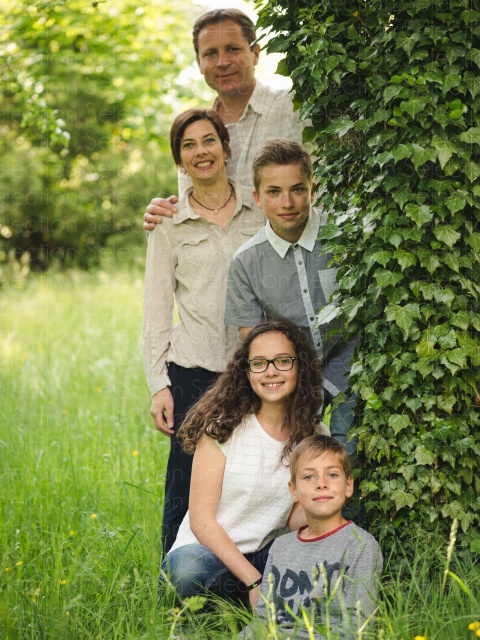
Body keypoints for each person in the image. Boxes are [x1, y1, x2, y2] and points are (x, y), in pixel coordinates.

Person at [143, 107, 265, 553]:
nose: (201, 151)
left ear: (226, 148)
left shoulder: (260, 208)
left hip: (257, 370)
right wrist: (159, 384)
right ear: (180, 159)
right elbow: (156, 308)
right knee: (186, 482)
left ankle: (246, 574)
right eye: (188, 145)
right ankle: (173, 579)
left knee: (254, 478)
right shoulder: (168, 224)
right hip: (193, 372)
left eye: (209, 140)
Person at [162, 319, 330, 609]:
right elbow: (201, 522)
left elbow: (294, 521)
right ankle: (247, 600)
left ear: (300, 367)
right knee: (187, 569)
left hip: (265, 556)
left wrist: (322, 503)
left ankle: (250, 605)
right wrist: (254, 581)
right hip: (209, 557)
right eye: (259, 363)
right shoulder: (222, 428)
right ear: (246, 371)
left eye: (283, 361)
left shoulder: (314, 435)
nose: (271, 371)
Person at [224, 139, 357, 456]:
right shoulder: (246, 262)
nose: (287, 202)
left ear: (313, 190)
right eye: (274, 192)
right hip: (294, 380)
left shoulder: (346, 237)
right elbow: (253, 345)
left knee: (347, 455)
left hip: (351, 368)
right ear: (257, 198)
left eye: (297, 189)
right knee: (299, 461)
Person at [143, 9, 306, 229]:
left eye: (232, 49)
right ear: (199, 63)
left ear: (255, 53)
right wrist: (161, 215)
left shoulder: (295, 107)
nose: (222, 62)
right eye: (211, 53)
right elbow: (192, 217)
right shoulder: (195, 137)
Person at [239, 435, 383, 639]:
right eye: (308, 477)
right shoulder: (281, 546)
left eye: (332, 474)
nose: (321, 484)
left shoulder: (360, 545)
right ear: (294, 491)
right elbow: (262, 620)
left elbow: (358, 627)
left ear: (349, 485)